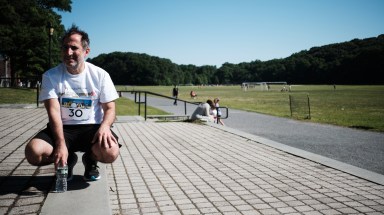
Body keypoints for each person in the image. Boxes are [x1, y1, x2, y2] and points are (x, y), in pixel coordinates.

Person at [24, 25, 121, 182]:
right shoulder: (51, 76)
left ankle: (90, 160)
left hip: (92, 128)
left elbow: (110, 109)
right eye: (65, 47)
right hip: (64, 129)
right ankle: (68, 160)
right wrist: (60, 143)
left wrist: (104, 127)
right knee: (33, 153)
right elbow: (53, 112)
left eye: (74, 48)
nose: (68, 52)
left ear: (86, 51)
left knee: (110, 152)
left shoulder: (100, 75)